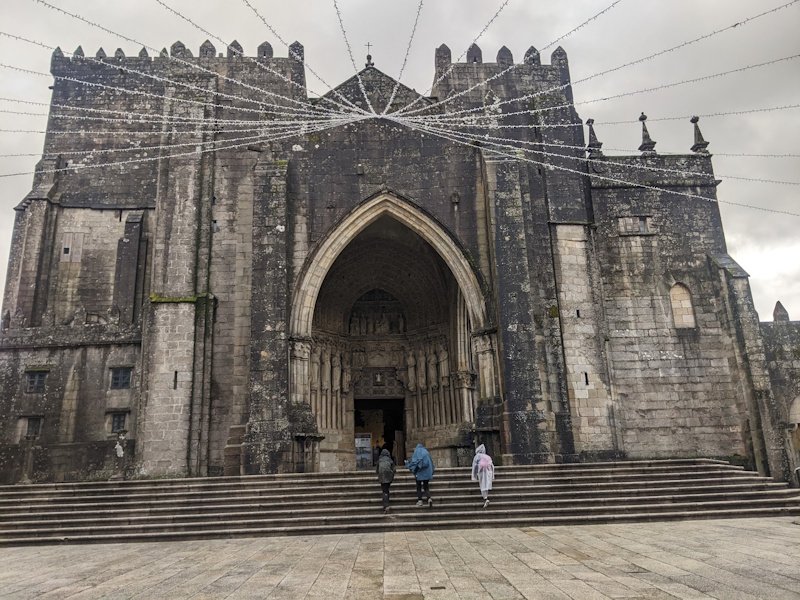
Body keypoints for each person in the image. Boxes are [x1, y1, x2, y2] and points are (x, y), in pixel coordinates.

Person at [471, 443, 494, 508]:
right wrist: (492, 475)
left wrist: (474, 476)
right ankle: (486, 497)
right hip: (488, 472)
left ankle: (485, 498)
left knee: (482, 485)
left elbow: (474, 466)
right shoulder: (487, 456)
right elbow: (492, 466)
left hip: (481, 472)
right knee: (486, 484)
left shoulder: (477, 456)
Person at [376, 448, 396, 514]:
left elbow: (377, 470)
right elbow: (394, 469)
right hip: (388, 477)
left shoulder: (379, 460)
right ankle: (386, 504)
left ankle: (386, 505)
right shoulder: (390, 460)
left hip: (382, 477)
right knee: (386, 490)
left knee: (384, 491)